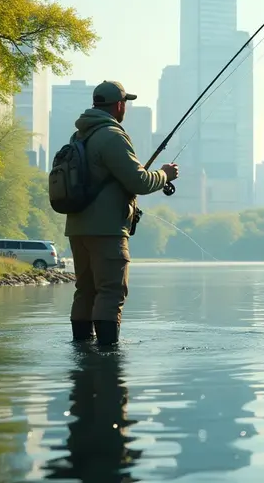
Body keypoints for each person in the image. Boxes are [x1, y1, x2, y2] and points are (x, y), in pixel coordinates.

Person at [65, 80, 178, 346]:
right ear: (119, 105)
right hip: (106, 230)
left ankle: (81, 351)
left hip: (78, 227)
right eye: (125, 103)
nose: (125, 107)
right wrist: (165, 175)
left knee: (86, 291)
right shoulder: (112, 136)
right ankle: (107, 357)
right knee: (111, 291)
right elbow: (139, 182)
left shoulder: (80, 135)